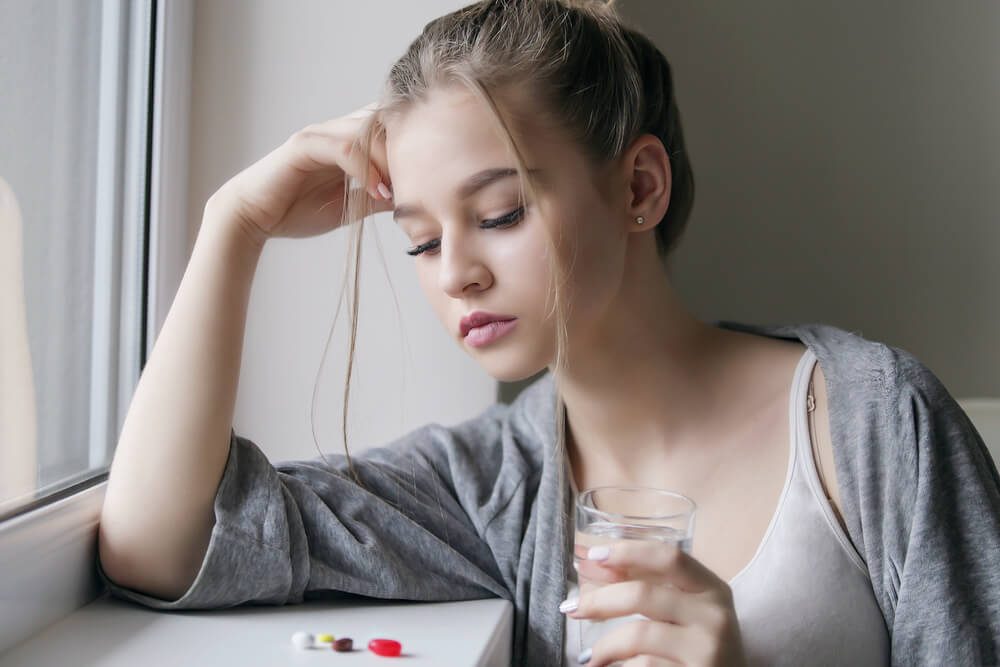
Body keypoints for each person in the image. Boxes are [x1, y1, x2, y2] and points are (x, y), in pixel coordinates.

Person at [96, 1, 1000, 665]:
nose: (453, 272)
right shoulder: (487, 487)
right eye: (418, 238)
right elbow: (159, 542)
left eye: (499, 213)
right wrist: (233, 227)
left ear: (640, 188)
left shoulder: (876, 423)